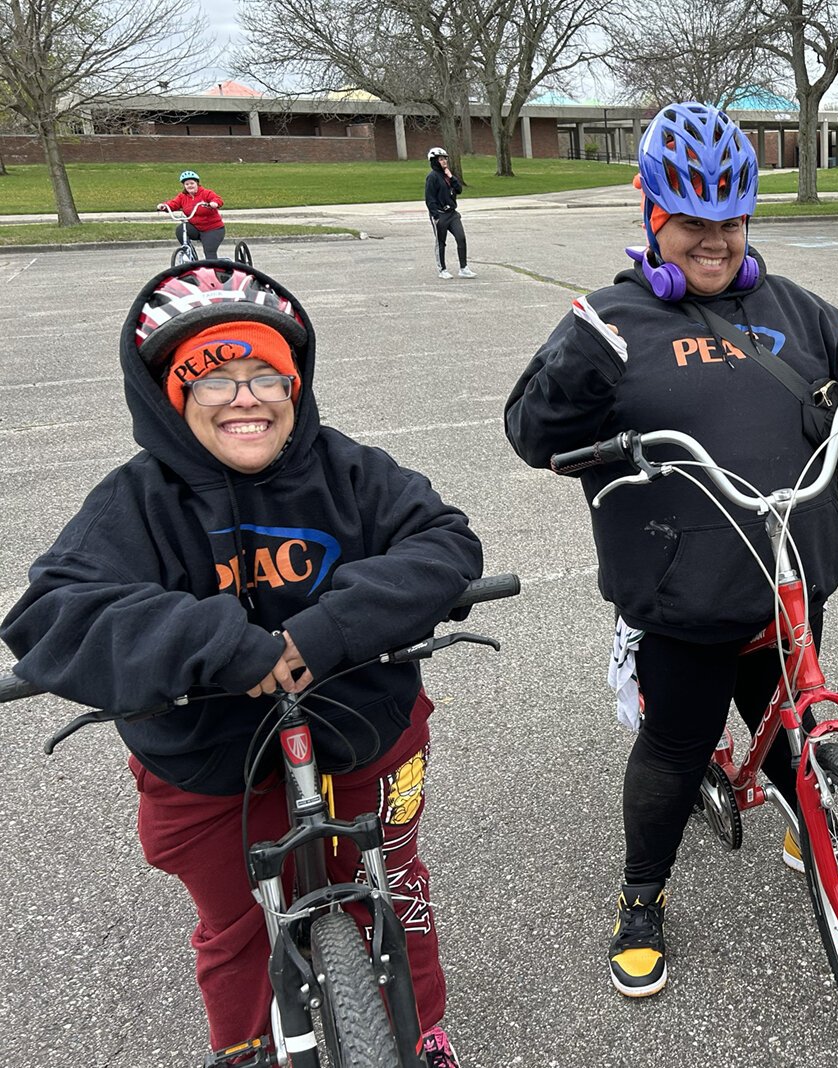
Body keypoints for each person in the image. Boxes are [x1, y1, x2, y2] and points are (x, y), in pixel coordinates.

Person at [0, 262, 484, 1066]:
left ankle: (421, 1025)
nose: (246, 396)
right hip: (210, 759)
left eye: (265, 373)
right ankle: (246, 1044)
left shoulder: (348, 470)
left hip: (363, 725)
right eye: (214, 378)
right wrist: (223, 646)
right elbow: (53, 611)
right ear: (172, 397)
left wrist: (319, 634)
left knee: (394, 891)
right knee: (238, 928)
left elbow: (444, 541)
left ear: (295, 384)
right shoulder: (138, 501)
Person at [503, 101, 838, 998]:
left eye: (728, 222)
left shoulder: (790, 306)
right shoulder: (612, 318)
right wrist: (575, 369)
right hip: (683, 591)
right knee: (677, 753)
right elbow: (530, 434)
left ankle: (814, 825)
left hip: (793, 572)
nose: (712, 242)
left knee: (798, 716)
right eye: (690, 224)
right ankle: (642, 894)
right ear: (653, 219)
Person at [425, 147, 475, 279]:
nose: (444, 161)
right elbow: (429, 199)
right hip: (440, 215)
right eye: (441, 159)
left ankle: (463, 268)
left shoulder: (447, 175)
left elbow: (458, 189)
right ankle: (442, 269)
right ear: (435, 161)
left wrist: (451, 176)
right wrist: (435, 215)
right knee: (441, 242)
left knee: (461, 238)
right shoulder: (432, 177)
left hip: (452, 214)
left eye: (445, 159)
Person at [157, 169, 227, 259]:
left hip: (213, 229)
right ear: (184, 186)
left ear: (197, 183)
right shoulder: (182, 197)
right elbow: (174, 204)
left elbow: (217, 199)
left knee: (209, 252)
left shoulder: (206, 193)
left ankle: (213, 271)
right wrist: (164, 206)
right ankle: (190, 253)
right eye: (187, 184)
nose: (189, 186)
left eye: (192, 183)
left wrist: (214, 203)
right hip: (196, 228)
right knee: (181, 229)